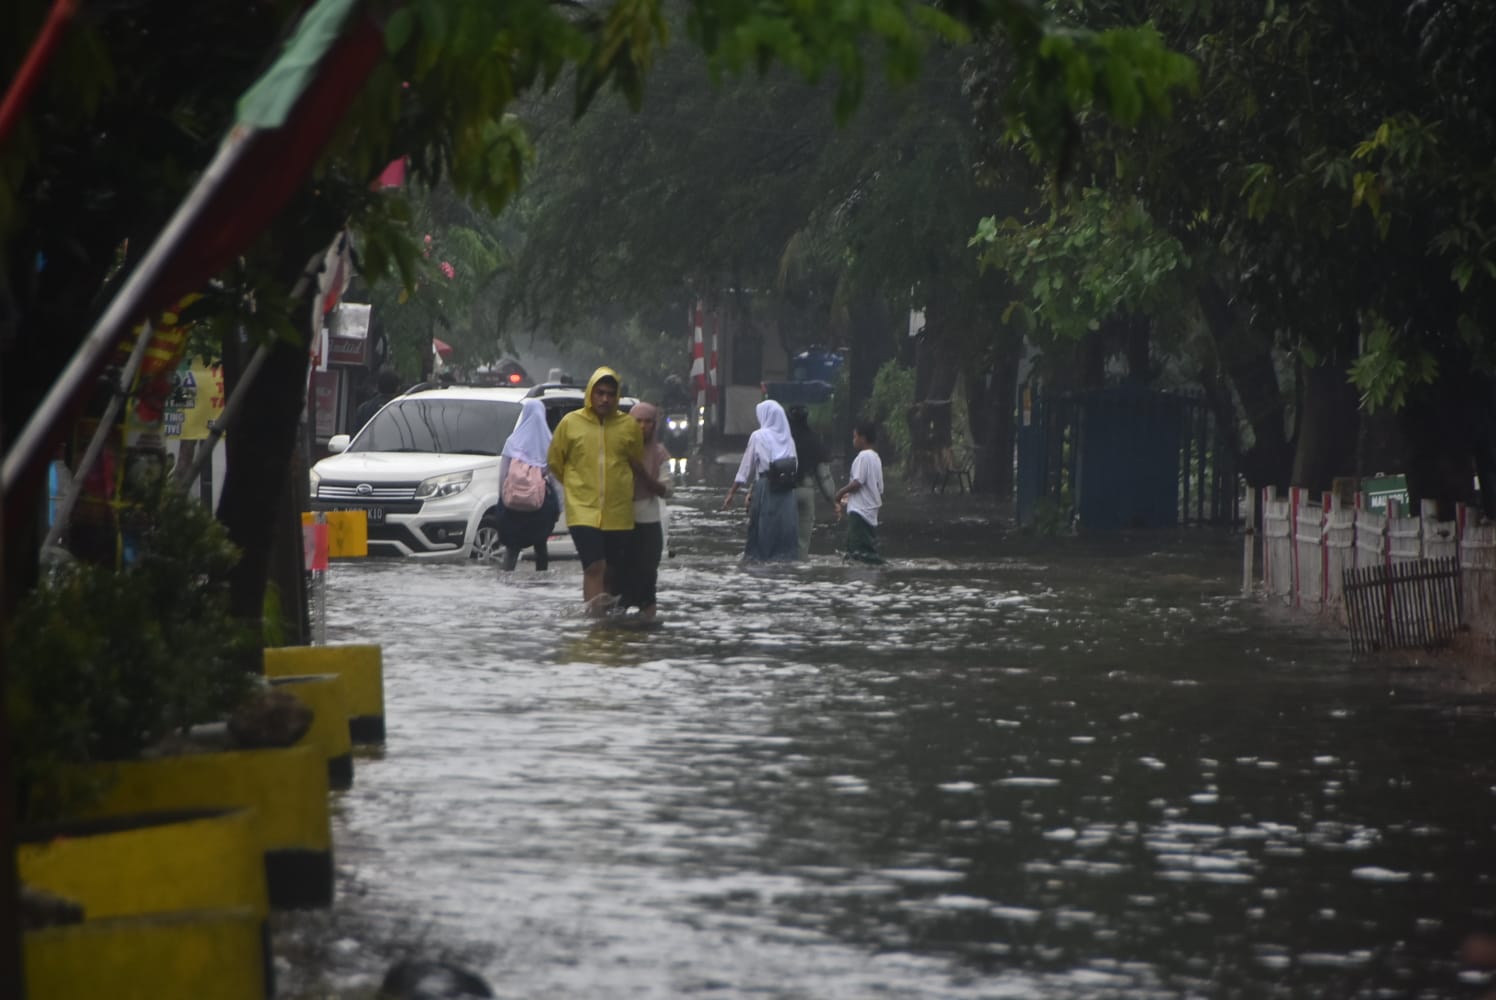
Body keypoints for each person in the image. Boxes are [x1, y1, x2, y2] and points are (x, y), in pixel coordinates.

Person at [547, 367, 650, 614]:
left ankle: (609, 622)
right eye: (600, 393)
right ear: (590, 394)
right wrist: (575, 487)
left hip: (618, 512)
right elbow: (555, 461)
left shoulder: (628, 426)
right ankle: (593, 620)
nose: (605, 399)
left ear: (617, 397)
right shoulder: (571, 424)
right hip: (583, 510)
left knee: (612, 571)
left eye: (610, 394)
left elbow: (635, 462)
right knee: (594, 566)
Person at [720, 399, 799, 562]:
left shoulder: (758, 436)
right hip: (787, 491)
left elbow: (745, 468)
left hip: (766, 487)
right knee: (784, 528)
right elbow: (795, 465)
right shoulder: (789, 439)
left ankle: (759, 563)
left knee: (763, 529)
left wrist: (731, 493)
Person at [616, 402, 673, 618]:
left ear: (654, 425)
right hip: (619, 521)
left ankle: (647, 626)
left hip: (648, 524)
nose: (642, 426)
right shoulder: (618, 449)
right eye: (637, 421)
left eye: (648, 422)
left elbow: (667, 490)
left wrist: (642, 474)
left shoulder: (659, 454)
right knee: (618, 581)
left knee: (647, 579)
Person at [496, 398, 562, 571]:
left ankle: (505, 585)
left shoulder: (512, 442)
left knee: (512, 548)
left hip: (513, 505)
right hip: (540, 505)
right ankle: (541, 586)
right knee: (541, 547)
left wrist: (502, 500)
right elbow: (555, 479)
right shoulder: (550, 442)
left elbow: (503, 475)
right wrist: (559, 506)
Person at [787, 405, 837, 559]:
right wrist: (833, 500)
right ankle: (800, 573)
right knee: (802, 542)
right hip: (806, 491)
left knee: (783, 538)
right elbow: (823, 475)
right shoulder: (814, 439)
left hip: (784, 493)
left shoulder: (783, 439)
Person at [835, 421, 885, 564]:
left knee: (859, 554)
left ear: (862, 438)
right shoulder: (875, 457)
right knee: (861, 550)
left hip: (860, 512)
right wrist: (849, 496)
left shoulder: (863, 457)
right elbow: (877, 487)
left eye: (855, 437)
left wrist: (840, 493)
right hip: (870, 511)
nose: (853, 440)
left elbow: (858, 482)